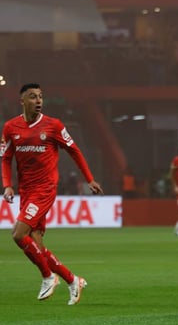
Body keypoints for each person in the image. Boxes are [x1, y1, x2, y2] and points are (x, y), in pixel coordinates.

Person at [1, 83, 104, 304]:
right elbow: (6, 158)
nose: (38, 100)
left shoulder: (53, 125)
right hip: (26, 191)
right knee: (37, 244)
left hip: (45, 189)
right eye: (32, 97)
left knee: (19, 235)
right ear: (22, 101)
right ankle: (71, 279)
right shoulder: (10, 127)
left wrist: (89, 179)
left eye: (40, 96)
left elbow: (74, 151)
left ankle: (48, 277)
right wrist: (8, 184)